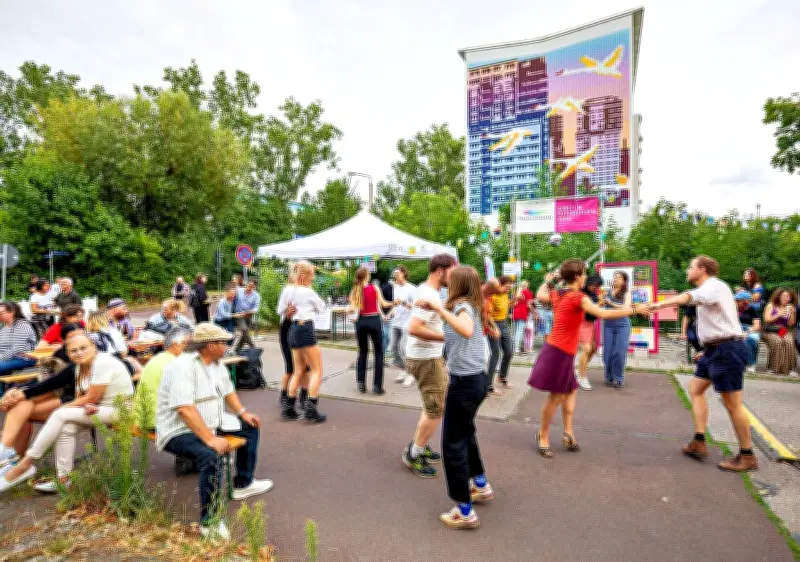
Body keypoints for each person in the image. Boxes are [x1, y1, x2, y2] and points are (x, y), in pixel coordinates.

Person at [156, 323, 272, 539]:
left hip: (210, 422)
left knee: (250, 427)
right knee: (211, 455)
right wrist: (210, 439)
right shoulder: (182, 366)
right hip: (177, 430)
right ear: (210, 345)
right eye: (224, 342)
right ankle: (210, 521)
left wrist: (243, 412)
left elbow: (228, 391)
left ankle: (243, 484)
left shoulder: (217, 364)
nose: (228, 346)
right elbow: (184, 409)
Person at [528, 260, 649, 458]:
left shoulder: (559, 293)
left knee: (572, 391)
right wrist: (635, 310)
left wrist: (551, 280)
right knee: (556, 397)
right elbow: (602, 313)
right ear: (577, 277)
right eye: (584, 273)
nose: (586, 277)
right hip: (559, 352)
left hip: (562, 351)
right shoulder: (577, 297)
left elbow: (540, 294)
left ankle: (568, 433)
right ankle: (542, 434)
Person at [652, 256, 757, 472]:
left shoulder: (714, 286)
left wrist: (660, 303)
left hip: (727, 349)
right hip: (714, 350)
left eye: (690, 267)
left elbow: (691, 297)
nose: (687, 271)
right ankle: (699, 441)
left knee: (733, 404)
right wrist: (706, 350)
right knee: (695, 388)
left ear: (702, 269)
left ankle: (747, 455)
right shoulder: (712, 289)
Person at [0, 335, 135, 493]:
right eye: (73, 351)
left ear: (94, 347)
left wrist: (64, 408)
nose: (78, 353)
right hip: (99, 408)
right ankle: (64, 480)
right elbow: (83, 396)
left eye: (83, 348)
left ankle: (25, 465)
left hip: (120, 409)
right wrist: (87, 405)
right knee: (65, 429)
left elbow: (92, 397)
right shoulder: (79, 367)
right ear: (68, 355)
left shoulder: (102, 362)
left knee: (59, 415)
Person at [416, 265, 495, 529]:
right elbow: (457, 335)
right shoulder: (469, 305)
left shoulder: (463, 306)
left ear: (459, 284)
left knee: (453, 445)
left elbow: (466, 330)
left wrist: (438, 309)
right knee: (466, 433)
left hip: (466, 385)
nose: (447, 284)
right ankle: (480, 485)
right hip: (476, 381)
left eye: (451, 280)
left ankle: (464, 511)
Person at [401, 253, 457, 478]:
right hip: (426, 359)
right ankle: (414, 454)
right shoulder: (427, 292)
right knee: (436, 410)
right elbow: (414, 328)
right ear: (441, 270)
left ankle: (419, 445)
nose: (454, 276)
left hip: (427, 357)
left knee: (432, 406)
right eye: (452, 271)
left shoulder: (430, 292)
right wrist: (446, 337)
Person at [0, 325, 85, 466]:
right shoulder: (59, 355)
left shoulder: (85, 355)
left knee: (21, 409)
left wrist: (21, 392)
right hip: (57, 394)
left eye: (81, 335)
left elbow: (54, 384)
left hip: (74, 398)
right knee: (21, 404)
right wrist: (17, 391)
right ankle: (11, 455)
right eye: (72, 337)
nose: (78, 340)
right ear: (63, 340)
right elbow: (45, 382)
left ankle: (10, 455)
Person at [279, 261, 327, 422]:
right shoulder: (308, 292)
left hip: (292, 328)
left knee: (298, 370)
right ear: (303, 276)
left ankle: (289, 406)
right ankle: (311, 407)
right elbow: (322, 307)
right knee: (317, 370)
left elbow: (281, 310)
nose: (312, 279)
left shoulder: (287, 290)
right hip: (305, 328)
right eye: (311, 276)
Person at [134, 327, 192, 430]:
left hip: (144, 419)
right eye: (188, 343)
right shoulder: (176, 363)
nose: (190, 348)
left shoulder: (157, 359)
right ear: (177, 343)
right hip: (160, 421)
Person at [349, 267, 392, 395]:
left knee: (362, 352)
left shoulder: (355, 290)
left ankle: (361, 383)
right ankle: (377, 386)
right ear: (366, 276)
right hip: (374, 320)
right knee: (379, 353)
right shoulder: (374, 288)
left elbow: (352, 308)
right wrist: (394, 302)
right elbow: (383, 304)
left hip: (361, 322)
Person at [276, 266, 310, 408]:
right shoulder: (288, 292)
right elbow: (282, 313)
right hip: (288, 329)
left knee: (305, 367)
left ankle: (304, 395)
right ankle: (285, 395)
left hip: (302, 330)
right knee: (291, 367)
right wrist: (288, 313)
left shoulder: (306, 292)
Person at [602, 271, 632, 389]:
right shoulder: (607, 292)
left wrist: (610, 302)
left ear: (624, 281)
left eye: (619, 277)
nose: (616, 279)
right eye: (615, 277)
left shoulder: (627, 293)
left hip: (622, 325)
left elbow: (626, 308)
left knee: (619, 352)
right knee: (607, 353)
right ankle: (609, 377)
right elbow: (600, 304)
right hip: (608, 325)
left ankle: (619, 378)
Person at [576, 274, 603, 391]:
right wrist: (599, 304)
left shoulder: (594, 294)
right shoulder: (581, 292)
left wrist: (601, 301)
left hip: (591, 324)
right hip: (581, 323)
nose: (595, 288)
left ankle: (580, 369)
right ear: (589, 282)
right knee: (586, 349)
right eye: (594, 285)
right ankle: (582, 377)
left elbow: (596, 310)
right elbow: (588, 309)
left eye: (597, 286)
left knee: (593, 349)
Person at [761, 288, 797, 376]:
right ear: (779, 296)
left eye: (789, 296)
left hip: (782, 329)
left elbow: (791, 324)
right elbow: (767, 320)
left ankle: (788, 370)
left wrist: (792, 313)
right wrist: (779, 314)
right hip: (770, 329)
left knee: (789, 342)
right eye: (784, 296)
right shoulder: (771, 305)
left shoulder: (790, 307)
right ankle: (773, 369)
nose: (787, 298)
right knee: (777, 341)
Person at [389, 266, 416, 386]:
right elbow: (395, 304)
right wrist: (388, 314)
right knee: (394, 348)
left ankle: (411, 373)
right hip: (396, 322)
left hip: (407, 322)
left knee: (404, 348)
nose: (396, 276)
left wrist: (404, 302)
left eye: (398, 274)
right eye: (395, 274)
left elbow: (415, 306)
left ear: (404, 274)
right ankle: (404, 370)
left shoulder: (411, 288)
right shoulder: (395, 288)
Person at [487, 276, 514, 392]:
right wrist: (494, 328)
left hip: (504, 324)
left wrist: (514, 300)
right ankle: (488, 386)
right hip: (493, 324)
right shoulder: (492, 296)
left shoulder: (505, 294)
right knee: (495, 353)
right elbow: (487, 315)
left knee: (509, 351)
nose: (508, 289)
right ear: (499, 285)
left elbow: (507, 306)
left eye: (509, 287)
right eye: (506, 287)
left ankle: (502, 377)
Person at [0, 302, 38, 379]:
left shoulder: (22, 325)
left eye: (1, 313)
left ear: (11, 313)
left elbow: (17, 349)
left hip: (23, 359)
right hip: (7, 358)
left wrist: (0, 357)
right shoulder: (3, 326)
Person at [734, 291, 761, 374]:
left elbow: (757, 326)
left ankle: (750, 364)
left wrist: (747, 332)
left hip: (749, 328)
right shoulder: (731, 308)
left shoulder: (751, 309)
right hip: (734, 328)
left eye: (738, 301)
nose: (736, 302)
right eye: (736, 300)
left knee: (752, 339)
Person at [233, 280, 261, 352]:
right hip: (239, 314)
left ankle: (237, 349)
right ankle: (253, 347)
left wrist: (249, 312)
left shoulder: (256, 295)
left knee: (245, 334)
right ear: (246, 284)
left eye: (252, 286)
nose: (249, 287)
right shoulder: (239, 291)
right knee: (244, 330)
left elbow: (256, 308)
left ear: (254, 287)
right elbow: (231, 297)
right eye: (249, 285)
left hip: (249, 315)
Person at [512, 280, 534, 354]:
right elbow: (529, 305)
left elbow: (514, 303)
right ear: (527, 285)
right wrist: (534, 313)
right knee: (520, 331)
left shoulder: (517, 293)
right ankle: (517, 348)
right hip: (523, 313)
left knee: (516, 330)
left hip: (516, 312)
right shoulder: (529, 293)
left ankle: (515, 347)